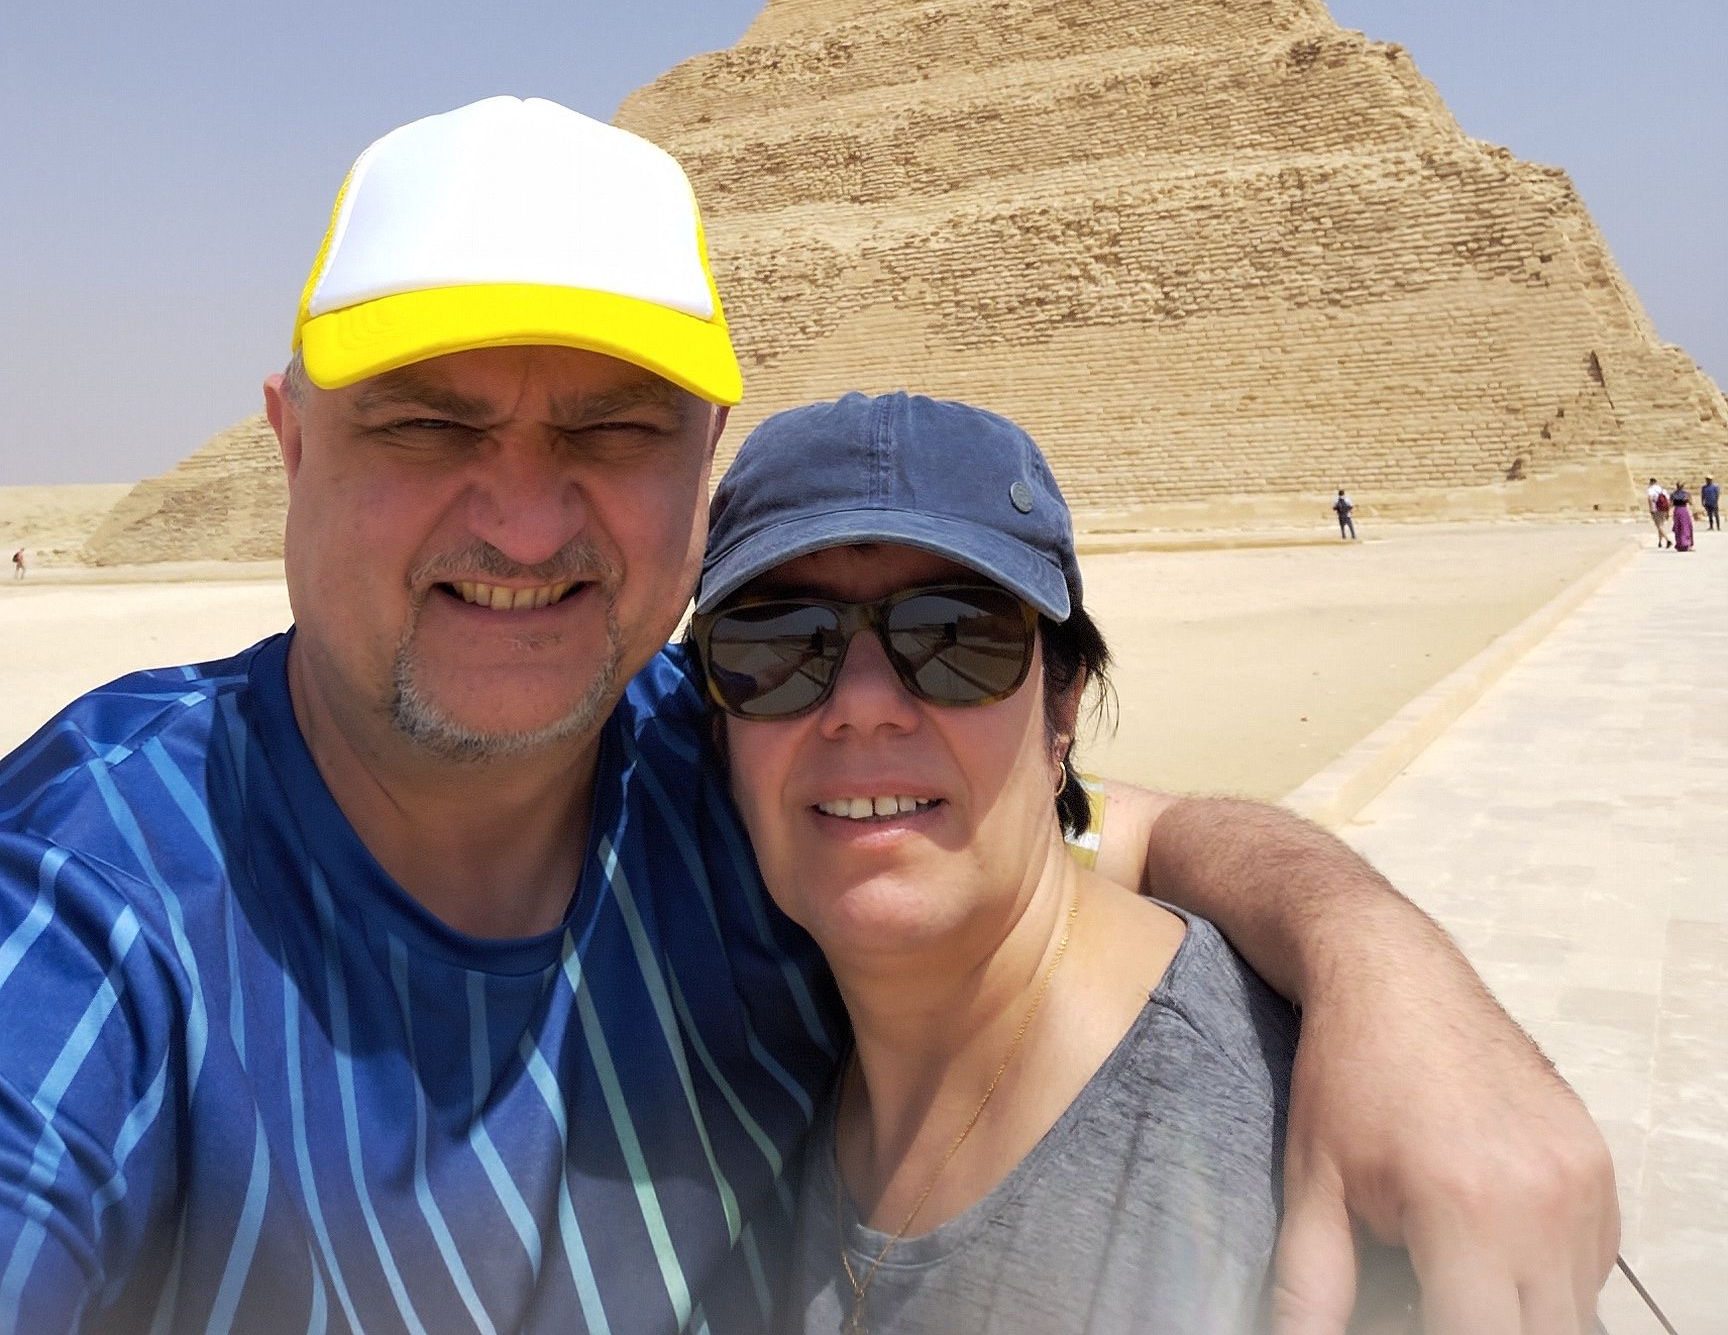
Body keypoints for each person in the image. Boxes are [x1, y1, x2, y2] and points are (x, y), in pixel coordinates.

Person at [0, 98, 1618, 1334]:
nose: (522, 519)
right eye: (426, 423)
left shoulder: (708, 758)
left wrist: (1389, 975)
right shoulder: (95, 900)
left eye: (611, 428)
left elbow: (1100, 828)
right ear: (289, 442)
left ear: (701, 460)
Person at [693, 393, 1299, 1333]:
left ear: (1064, 709)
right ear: (715, 726)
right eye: (776, 643)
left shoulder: (1272, 1167)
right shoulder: (775, 1062)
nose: (863, 705)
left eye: (955, 636)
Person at [1646, 477, 1671, 546]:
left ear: (1650, 482)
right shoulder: (1662, 489)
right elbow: (1668, 500)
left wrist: (1651, 509)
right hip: (1663, 509)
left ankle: (1668, 540)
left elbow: (1650, 499)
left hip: (1656, 509)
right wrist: (1668, 511)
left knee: (1659, 526)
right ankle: (1660, 542)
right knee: (1661, 525)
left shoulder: (1650, 489)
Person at [1670, 483, 1694, 553]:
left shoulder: (1673, 494)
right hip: (1684, 511)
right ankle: (1687, 545)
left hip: (1677, 511)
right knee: (1686, 528)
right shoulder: (1686, 494)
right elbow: (1691, 503)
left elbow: (1671, 504)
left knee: (1678, 528)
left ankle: (1679, 545)